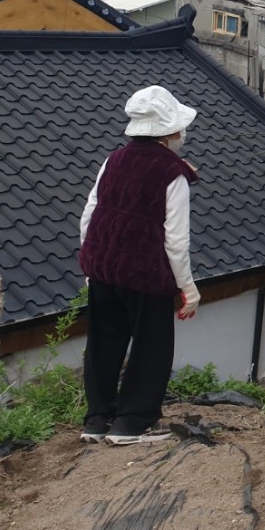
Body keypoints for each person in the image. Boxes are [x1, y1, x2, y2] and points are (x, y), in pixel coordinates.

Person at [78, 85, 201, 445]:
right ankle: (131, 423)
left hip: (103, 268)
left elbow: (89, 214)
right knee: (151, 347)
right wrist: (188, 288)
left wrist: (92, 264)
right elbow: (175, 242)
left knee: (103, 343)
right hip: (146, 274)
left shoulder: (113, 160)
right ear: (169, 131)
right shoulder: (173, 172)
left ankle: (97, 419)